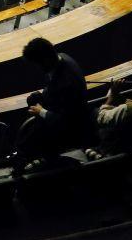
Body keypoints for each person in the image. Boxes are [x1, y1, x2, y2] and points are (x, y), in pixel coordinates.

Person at [15, 38, 88, 168]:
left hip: (69, 128)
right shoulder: (61, 58)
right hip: (57, 108)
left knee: (25, 140)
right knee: (33, 100)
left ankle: (41, 161)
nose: (36, 69)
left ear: (45, 61)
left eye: (36, 65)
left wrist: (41, 111)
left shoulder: (67, 83)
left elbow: (65, 120)